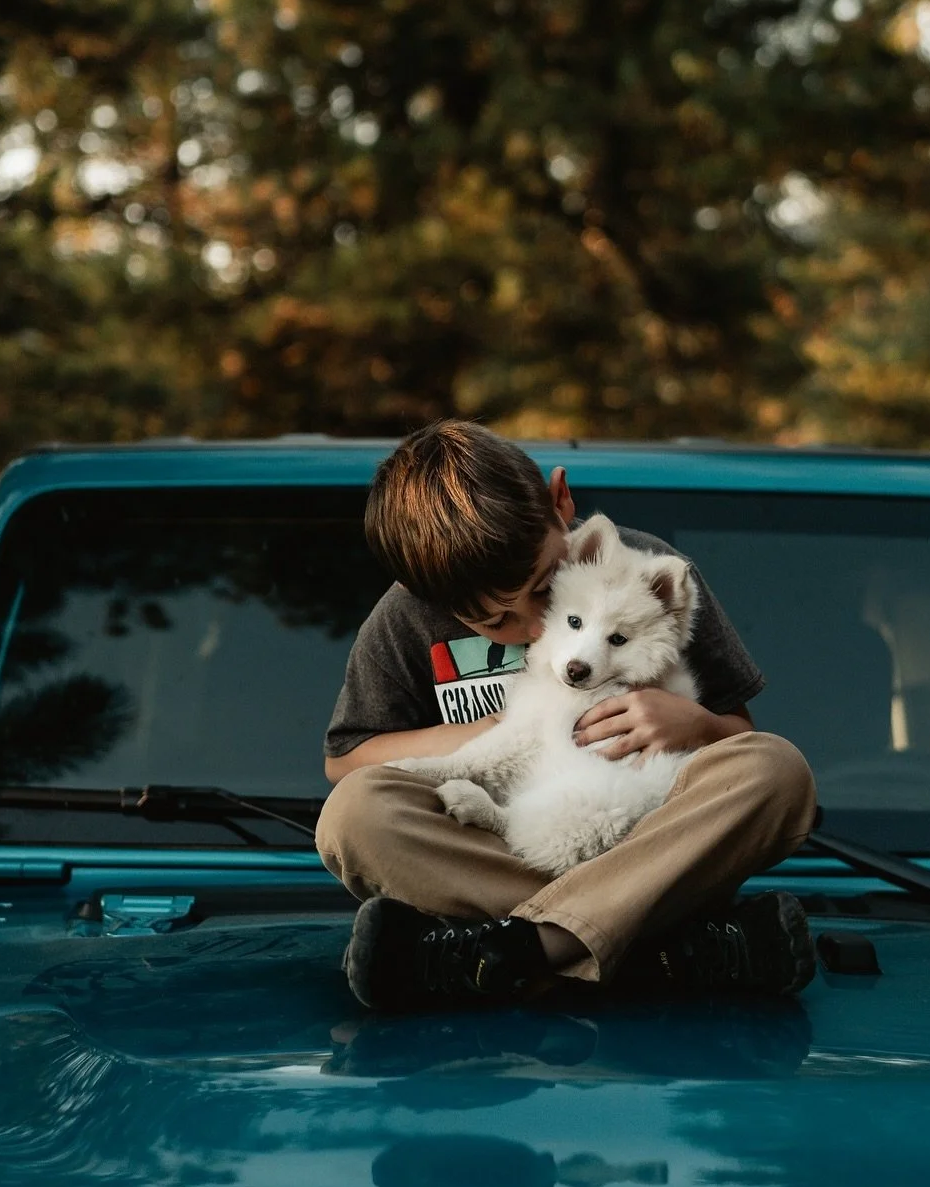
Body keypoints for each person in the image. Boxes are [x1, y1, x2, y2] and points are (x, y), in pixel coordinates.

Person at [317, 420, 818, 1008]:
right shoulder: (407, 615)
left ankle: (498, 957)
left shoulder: (640, 573)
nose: (534, 627)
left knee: (776, 770)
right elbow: (346, 760)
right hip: (518, 849)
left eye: (541, 586)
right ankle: (654, 954)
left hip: (637, 836)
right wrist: (484, 736)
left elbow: (738, 741)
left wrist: (697, 724)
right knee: (355, 814)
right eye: (494, 621)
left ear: (562, 503)